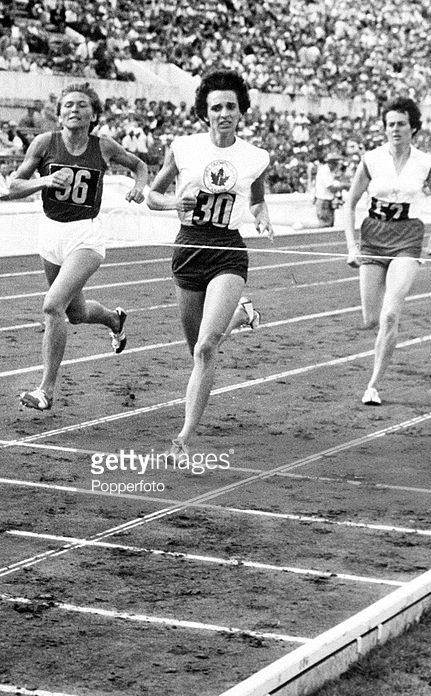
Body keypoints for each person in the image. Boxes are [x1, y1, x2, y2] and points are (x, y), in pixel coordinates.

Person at [145, 69, 272, 458]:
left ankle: (182, 438)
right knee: (198, 348)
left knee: (204, 348)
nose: (223, 113)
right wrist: (173, 204)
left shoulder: (255, 156)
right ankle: (239, 317)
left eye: (231, 106)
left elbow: (256, 199)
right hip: (188, 249)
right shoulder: (183, 147)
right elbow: (152, 195)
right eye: (216, 106)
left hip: (227, 251)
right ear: (205, 111)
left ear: (241, 110)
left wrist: (263, 216)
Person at [3, 82, 149, 411]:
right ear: (59, 113)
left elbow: (140, 166)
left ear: (93, 114)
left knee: (52, 305)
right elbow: (13, 185)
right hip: (51, 234)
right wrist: (43, 180)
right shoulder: (44, 142)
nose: (73, 110)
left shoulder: (104, 146)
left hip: (86, 236)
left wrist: (139, 187)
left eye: (81, 105)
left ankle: (46, 390)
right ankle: (115, 320)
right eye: (68, 105)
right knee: (77, 313)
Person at [343, 97, 431, 406]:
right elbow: (349, 203)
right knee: (370, 319)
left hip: (407, 237)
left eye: (401, 124)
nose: (395, 129)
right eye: (390, 124)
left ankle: (373, 385)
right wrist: (351, 245)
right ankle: (381, 342)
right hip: (373, 234)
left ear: (413, 127)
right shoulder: (371, 159)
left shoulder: (425, 162)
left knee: (390, 315)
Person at [313, 152, 344, 227]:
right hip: (324, 202)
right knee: (325, 226)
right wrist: (344, 186)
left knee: (329, 224)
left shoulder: (330, 172)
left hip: (327, 201)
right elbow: (331, 188)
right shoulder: (325, 171)